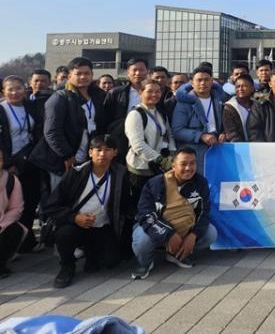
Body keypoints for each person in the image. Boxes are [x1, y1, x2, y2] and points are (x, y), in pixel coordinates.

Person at [47, 135, 128, 288]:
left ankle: (92, 254)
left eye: (108, 150)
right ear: (90, 152)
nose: (102, 154)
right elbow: (51, 205)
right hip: (76, 224)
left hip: (102, 226)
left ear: (115, 152)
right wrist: (75, 217)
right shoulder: (76, 173)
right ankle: (67, 266)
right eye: (98, 150)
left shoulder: (120, 174)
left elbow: (124, 206)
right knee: (64, 234)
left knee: (111, 261)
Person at [131, 147, 217, 279]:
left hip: (185, 227)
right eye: (183, 164)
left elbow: (204, 212)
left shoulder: (200, 182)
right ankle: (145, 262)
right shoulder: (155, 184)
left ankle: (176, 254)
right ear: (173, 165)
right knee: (142, 240)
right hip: (156, 226)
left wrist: (193, 235)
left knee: (211, 234)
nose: (188, 168)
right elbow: (145, 215)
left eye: (192, 163)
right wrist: (169, 234)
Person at [30, 57, 106, 192]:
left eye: (87, 73)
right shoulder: (60, 97)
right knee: (59, 198)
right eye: (78, 73)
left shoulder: (97, 97)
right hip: (62, 160)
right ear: (70, 76)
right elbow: (51, 132)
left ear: (92, 75)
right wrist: (67, 155)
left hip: (85, 157)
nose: (83, 77)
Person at [0, 76, 42, 252]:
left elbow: (37, 131)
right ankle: (7, 241)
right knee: (9, 204)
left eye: (18, 88)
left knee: (30, 201)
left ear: (25, 89)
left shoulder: (31, 107)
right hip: (8, 163)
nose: (15, 92)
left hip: (29, 160)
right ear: (3, 91)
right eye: (10, 89)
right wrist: (8, 164)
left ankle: (25, 240)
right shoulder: (2, 109)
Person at [124, 80, 176, 206]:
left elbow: (169, 134)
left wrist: (172, 154)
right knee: (140, 204)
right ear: (141, 93)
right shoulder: (136, 114)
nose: (154, 94)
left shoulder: (160, 113)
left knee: (156, 203)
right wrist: (160, 159)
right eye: (150, 91)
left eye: (157, 91)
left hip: (158, 167)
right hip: (141, 168)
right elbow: (138, 144)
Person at [172, 66, 226, 175]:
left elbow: (223, 124)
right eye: (199, 80)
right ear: (192, 83)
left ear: (212, 81)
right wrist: (201, 136)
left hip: (217, 149)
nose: (203, 83)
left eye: (206, 80)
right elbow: (177, 130)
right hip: (194, 154)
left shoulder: (219, 100)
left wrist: (224, 133)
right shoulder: (184, 103)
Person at [101, 57, 151, 163]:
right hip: (121, 139)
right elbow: (105, 118)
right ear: (128, 72)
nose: (138, 73)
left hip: (148, 138)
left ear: (147, 72)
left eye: (141, 70)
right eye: (134, 70)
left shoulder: (154, 93)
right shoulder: (115, 93)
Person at [0, 149, 26, 279]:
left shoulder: (11, 180)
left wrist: (2, 224)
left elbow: (17, 208)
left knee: (15, 230)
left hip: (2, 222)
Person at [223, 74, 255, 142]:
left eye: (244, 86)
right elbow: (232, 133)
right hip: (239, 146)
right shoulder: (229, 107)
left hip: (257, 144)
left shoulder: (257, 105)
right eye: (238, 86)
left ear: (252, 88)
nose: (240, 89)